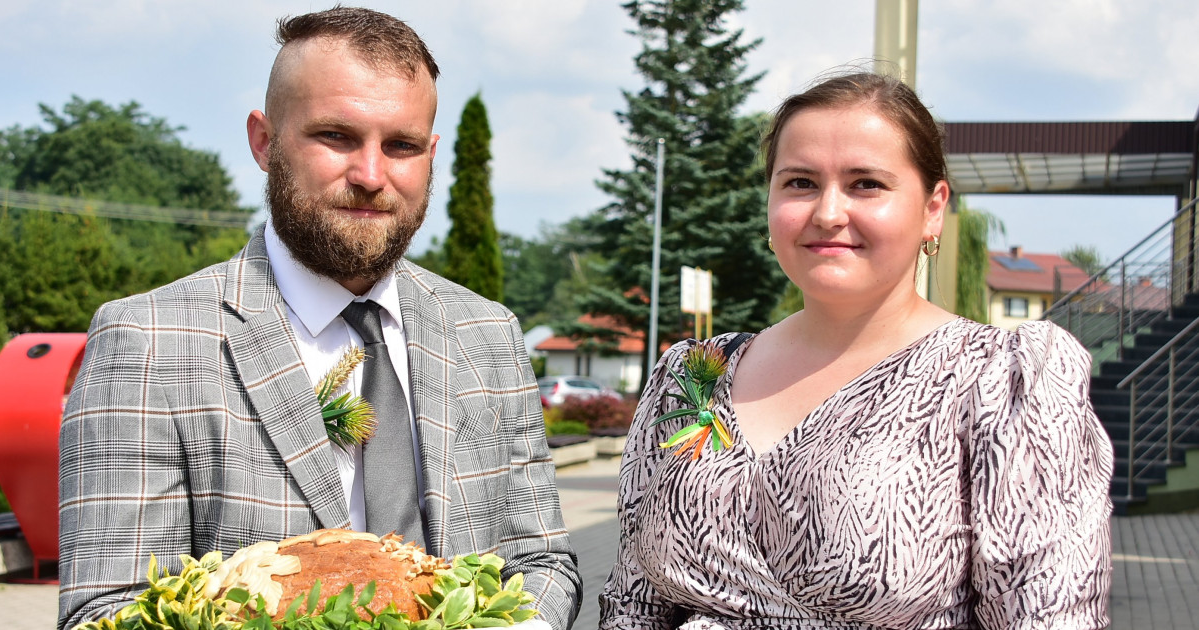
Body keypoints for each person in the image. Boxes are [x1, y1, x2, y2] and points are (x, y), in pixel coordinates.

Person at [57, 7, 580, 630]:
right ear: (264, 141)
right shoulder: (146, 343)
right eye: (336, 136)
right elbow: (105, 611)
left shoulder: (488, 333)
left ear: (431, 153)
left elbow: (542, 561)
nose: (370, 175)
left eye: (402, 146)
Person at [599, 72, 1113, 630]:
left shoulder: (1000, 381)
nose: (828, 212)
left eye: (866, 183)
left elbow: (1045, 616)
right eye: (799, 182)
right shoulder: (696, 378)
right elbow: (632, 602)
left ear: (932, 208)